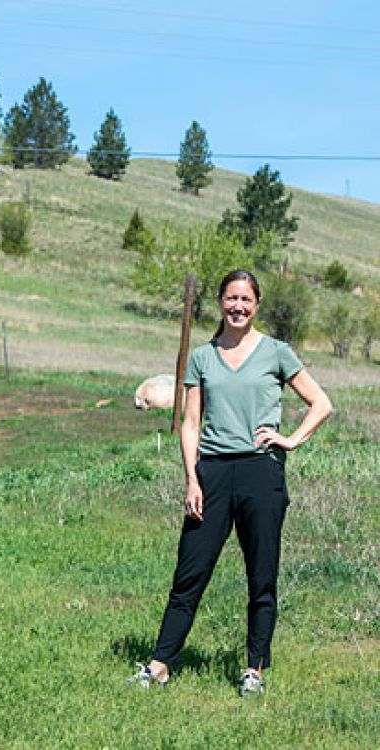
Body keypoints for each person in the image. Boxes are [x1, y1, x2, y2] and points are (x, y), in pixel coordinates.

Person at [128, 270, 332, 697]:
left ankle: (254, 670)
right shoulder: (202, 357)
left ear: (256, 304)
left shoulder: (276, 352)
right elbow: (189, 423)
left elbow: (321, 403)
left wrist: (291, 440)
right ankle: (160, 664)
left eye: (246, 299)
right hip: (213, 474)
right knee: (190, 573)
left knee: (262, 576)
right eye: (231, 298)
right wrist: (191, 479)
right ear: (220, 302)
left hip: (261, 473)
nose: (238, 306)